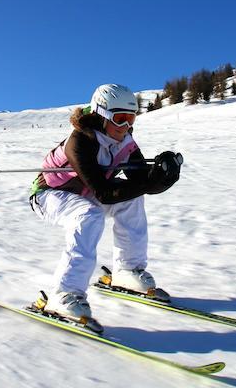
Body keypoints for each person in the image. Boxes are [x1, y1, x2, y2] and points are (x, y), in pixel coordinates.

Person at [29, 83, 182, 327]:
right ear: (101, 115)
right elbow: (104, 193)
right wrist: (148, 182)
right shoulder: (80, 141)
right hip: (51, 194)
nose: (126, 126)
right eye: (119, 119)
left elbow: (141, 182)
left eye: (131, 119)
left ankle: (128, 271)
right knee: (88, 216)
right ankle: (64, 294)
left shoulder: (125, 140)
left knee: (132, 199)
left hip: (87, 193)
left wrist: (164, 176)